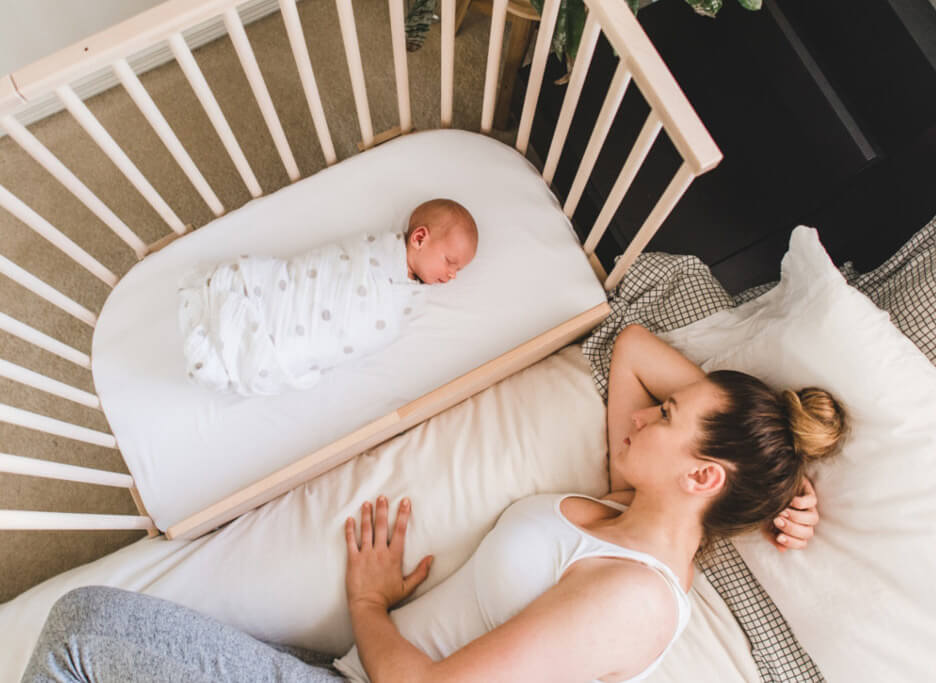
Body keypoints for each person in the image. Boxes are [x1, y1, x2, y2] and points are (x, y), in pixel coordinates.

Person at [23, 325, 844, 682]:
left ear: (702, 477)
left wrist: (368, 601)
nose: (640, 411)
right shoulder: (623, 511)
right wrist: (771, 473)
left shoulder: (635, 597)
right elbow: (632, 348)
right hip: (341, 667)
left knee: (84, 628)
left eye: (665, 417)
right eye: (661, 405)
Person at [179, 198, 478, 396]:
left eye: (459, 270)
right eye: (450, 262)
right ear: (420, 238)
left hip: (314, 337)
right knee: (280, 288)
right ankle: (228, 310)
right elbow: (329, 269)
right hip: (289, 296)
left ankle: (231, 339)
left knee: (292, 350)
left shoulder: (408, 297)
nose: (452, 275)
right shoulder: (374, 251)